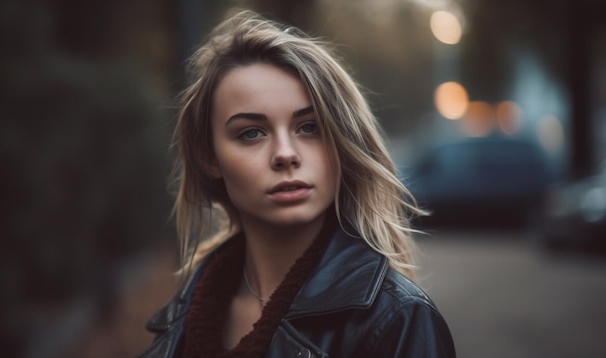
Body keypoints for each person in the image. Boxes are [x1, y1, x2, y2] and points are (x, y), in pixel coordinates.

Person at [140, 9, 455, 358]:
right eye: (251, 133)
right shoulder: (178, 322)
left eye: (309, 127)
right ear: (210, 157)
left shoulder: (397, 320)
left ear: (341, 141)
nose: (285, 154)